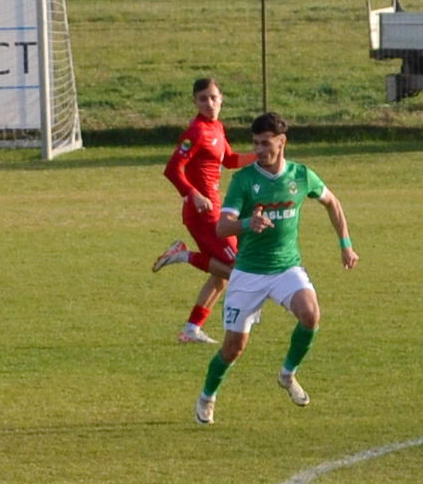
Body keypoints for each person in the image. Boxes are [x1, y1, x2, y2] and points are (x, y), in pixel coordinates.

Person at [193, 112, 358, 426]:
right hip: (249, 273)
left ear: (282, 143)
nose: (259, 150)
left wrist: (345, 245)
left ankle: (287, 374)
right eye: (255, 143)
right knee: (233, 347)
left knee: (311, 315)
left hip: (286, 268)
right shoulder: (244, 180)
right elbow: (221, 227)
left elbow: (332, 203)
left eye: (265, 143)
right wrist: (246, 223)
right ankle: (207, 396)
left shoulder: (301, 175)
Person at [151, 77, 254, 344]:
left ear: (221, 99)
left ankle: (191, 329)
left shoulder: (216, 127)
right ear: (195, 102)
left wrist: (261, 155)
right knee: (237, 269)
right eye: (202, 99)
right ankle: (184, 255)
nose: (209, 103)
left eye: (213, 97)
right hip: (203, 214)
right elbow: (172, 169)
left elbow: (229, 160)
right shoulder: (196, 131)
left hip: (215, 210)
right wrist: (192, 194)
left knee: (220, 277)